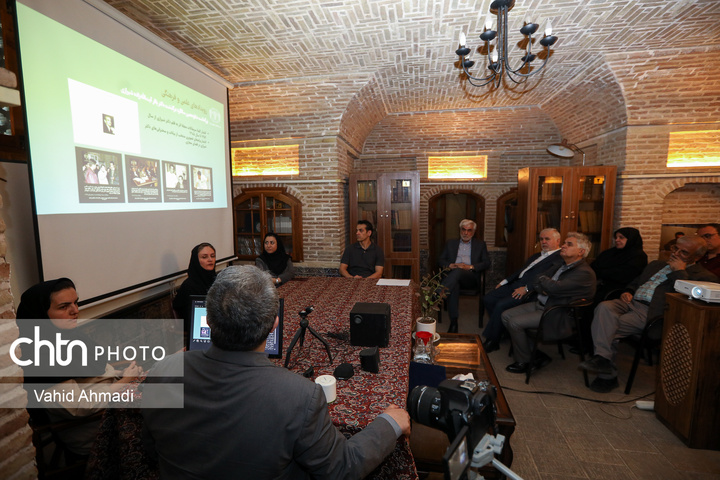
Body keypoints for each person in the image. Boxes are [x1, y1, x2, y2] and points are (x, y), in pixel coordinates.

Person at [142, 266, 411, 479]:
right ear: (275, 325)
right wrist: (389, 422)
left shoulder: (162, 370)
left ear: (208, 320)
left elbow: (152, 452)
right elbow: (342, 468)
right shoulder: (301, 396)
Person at [17, 278, 142, 457]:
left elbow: (94, 373)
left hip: (107, 407)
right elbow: (79, 405)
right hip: (93, 427)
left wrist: (122, 374)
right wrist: (125, 381)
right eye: (63, 307)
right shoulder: (42, 356)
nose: (75, 311)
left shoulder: (70, 337)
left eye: (76, 303)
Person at [579, 235, 718, 393]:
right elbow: (635, 282)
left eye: (684, 252)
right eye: (675, 248)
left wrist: (679, 271)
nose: (676, 254)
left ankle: (607, 374)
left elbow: (686, 298)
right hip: (630, 303)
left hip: (652, 312)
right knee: (604, 307)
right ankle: (603, 360)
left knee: (604, 327)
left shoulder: (702, 276)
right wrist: (628, 291)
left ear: (698, 257)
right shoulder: (656, 264)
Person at [502, 233, 596, 374]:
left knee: (515, 323)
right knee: (505, 315)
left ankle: (525, 361)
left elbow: (553, 288)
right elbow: (536, 279)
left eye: (569, 244)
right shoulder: (561, 264)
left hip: (557, 312)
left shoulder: (584, 273)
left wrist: (548, 286)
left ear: (581, 252)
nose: (563, 246)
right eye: (564, 243)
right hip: (543, 303)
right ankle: (535, 354)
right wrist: (548, 286)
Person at [481, 228, 563, 353]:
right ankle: (502, 329)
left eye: (547, 239)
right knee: (488, 298)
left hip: (529, 291)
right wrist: (505, 281)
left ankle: (493, 340)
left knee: (500, 305)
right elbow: (521, 271)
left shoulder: (558, 258)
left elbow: (545, 278)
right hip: (515, 284)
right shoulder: (537, 255)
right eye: (541, 239)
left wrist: (526, 288)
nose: (543, 242)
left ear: (558, 241)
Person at [438, 219, 490, 333]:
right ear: (460, 230)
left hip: (470, 278)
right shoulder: (451, 243)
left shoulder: (480, 245)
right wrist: (450, 265)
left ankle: (439, 293)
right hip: (453, 278)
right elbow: (441, 260)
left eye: (469, 230)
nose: (466, 233)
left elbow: (486, 263)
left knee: (459, 270)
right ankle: (454, 322)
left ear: (473, 232)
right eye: (464, 230)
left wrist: (470, 267)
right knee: (454, 284)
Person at [591, 227, 648, 303]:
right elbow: (593, 267)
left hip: (620, 292)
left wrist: (602, 272)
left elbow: (624, 275)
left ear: (631, 239)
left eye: (621, 237)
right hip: (598, 285)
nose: (617, 240)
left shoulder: (639, 256)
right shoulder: (609, 253)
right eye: (616, 237)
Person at [173, 243, 217, 333]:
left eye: (212, 256)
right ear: (196, 260)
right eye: (204, 257)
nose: (210, 260)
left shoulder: (217, 280)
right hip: (198, 328)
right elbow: (192, 317)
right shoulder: (189, 285)